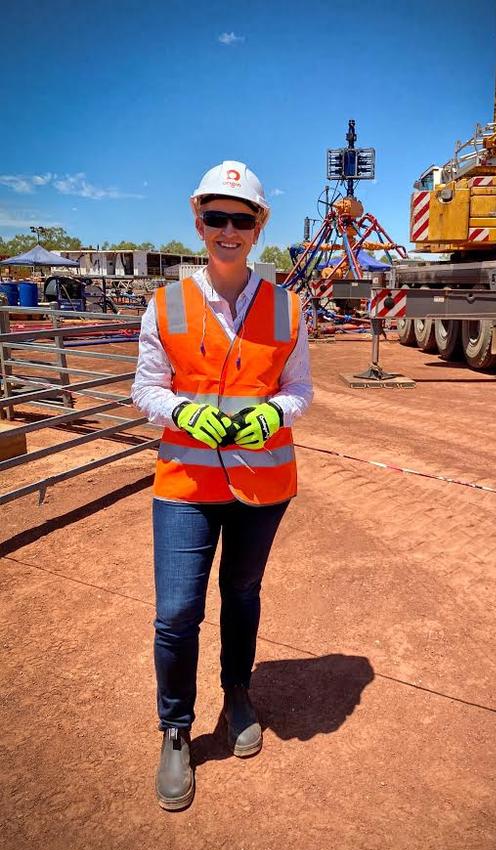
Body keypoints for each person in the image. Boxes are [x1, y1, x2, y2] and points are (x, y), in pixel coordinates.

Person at [132, 160, 313, 811]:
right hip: (184, 481)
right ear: (198, 219)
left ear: (260, 225)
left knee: (241, 592)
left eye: (242, 218)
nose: (228, 229)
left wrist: (276, 412)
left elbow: (299, 390)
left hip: (262, 488)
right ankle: (176, 728)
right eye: (217, 217)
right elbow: (144, 387)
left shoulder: (288, 307)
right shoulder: (168, 303)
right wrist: (180, 410)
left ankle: (237, 691)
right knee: (177, 611)